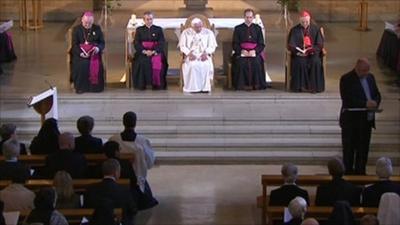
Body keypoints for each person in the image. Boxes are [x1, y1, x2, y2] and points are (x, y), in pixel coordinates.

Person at [109, 112, 158, 210]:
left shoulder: (113, 139)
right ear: (135, 123)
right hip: (136, 177)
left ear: (123, 122)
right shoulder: (142, 141)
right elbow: (149, 163)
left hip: (117, 175)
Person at [340, 58, 381, 175]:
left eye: (367, 70)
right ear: (357, 68)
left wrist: (375, 102)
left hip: (366, 121)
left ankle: (361, 174)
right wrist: (365, 103)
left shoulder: (370, 77)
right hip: (351, 122)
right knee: (349, 151)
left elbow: (377, 94)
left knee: (363, 150)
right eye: (363, 71)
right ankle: (348, 174)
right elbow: (347, 99)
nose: (366, 73)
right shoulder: (346, 79)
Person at [84, 159, 137, 225]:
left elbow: (86, 208)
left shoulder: (90, 189)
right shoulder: (124, 190)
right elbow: (133, 210)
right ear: (116, 173)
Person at [288, 10, 324, 93]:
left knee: (315, 62)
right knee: (300, 62)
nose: (304, 23)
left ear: (309, 20)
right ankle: (301, 87)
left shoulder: (316, 29)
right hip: (299, 54)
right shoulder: (294, 30)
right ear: (300, 21)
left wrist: (311, 50)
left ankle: (314, 87)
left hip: (313, 53)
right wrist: (298, 52)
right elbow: (291, 45)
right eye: (303, 22)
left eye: (306, 22)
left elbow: (320, 44)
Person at [179, 17, 217, 93]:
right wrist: (189, 54)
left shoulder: (208, 32)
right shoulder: (186, 33)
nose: (199, 29)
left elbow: (212, 46)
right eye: (196, 27)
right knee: (192, 66)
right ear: (192, 26)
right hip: (191, 55)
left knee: (205, 65)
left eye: (200, 26)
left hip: (204, 54)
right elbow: (182, 46)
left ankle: (205, 88)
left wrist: (206, 53)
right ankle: (193, 88)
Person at [232, 8, 267, 90]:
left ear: (253, 17)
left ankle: (256, 84)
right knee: (240, 63)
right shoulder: (238, 28)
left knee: (257, 62)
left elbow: (261, 44)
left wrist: (254, 51)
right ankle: (242, 85)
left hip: (254, 52)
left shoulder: (257, 28)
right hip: (242, 52)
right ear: (244, 17)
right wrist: (241, 51)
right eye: (247, 17)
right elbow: (235, 43)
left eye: (250, 17)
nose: (248, 19)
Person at [132, 11, 168, 90]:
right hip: (143, 52)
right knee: (141, 62)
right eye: (147, 19)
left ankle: (157, 84)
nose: (149, 21)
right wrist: (144, 51)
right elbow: (136, 43)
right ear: (144, 20)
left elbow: (162, 42)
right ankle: (141, 84)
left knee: (158, 63)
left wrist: (154, 51)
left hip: (156, 52)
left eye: (151, 19)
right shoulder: (139, 29)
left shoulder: (158, 29)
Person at [71, 11, 105, 94]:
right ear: (82, 20)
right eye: (86, 22)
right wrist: (81, 53)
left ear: (92, 22)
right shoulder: (76, 29)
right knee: (82, 65)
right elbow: (74, 45)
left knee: (95, 65)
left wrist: (97, 48)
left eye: (89, 23)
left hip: (94, 54)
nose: (87, 25)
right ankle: (80, 88)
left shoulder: (97, 28)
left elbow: (102, 43)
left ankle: (95, 88)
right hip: (80, 54)